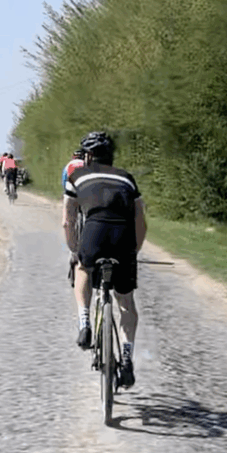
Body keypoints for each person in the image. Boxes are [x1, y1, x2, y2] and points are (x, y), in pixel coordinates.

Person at [62, 131, 147, 389]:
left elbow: (68, 220)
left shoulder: (77, 176)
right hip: (123, 239)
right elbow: (140, 221)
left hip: (94, 234)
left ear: (88, 156)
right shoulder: (127, 178)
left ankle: (85, 322)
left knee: (83, 268)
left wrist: (74, 250)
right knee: (126, 304)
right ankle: (127, 359)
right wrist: (134, 252)